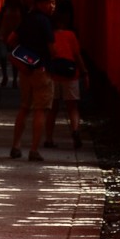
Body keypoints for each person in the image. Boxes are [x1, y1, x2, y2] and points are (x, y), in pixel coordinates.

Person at [8, 0, 57, 161]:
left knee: (24, 107)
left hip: (25, 70)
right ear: (40, 4)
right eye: (50, 2)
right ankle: (34, 150)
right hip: (41, 70)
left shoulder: (27, 19)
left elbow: (11, 39)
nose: (53, 6)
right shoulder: (45, 22)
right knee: (40, 109)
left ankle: (16, 146)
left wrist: (23, 56)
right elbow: (52, 48)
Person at [43, 18, 89, 150]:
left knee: (52, 109)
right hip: (70, 74)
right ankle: (75, 131)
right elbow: (77, 55)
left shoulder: (49, 36)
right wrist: (85, 72)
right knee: (72, 107)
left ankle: (49, 139)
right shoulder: (70, 35)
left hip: (54, 74)